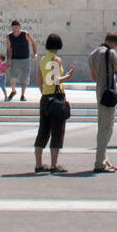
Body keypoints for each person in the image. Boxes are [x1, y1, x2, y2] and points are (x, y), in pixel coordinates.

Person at [34, 33, 76, 173]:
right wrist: (68, 76)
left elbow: (40, 79)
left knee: (43, 130)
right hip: (56, 96)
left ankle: (38, 164)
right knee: (57, 131)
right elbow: (55, 79)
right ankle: (53, 165)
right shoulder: (56, 59)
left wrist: (44, 93)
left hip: (45, 96)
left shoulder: (43, 59)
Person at [88, 32, 117, 172]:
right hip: (109, 93)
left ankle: (105, 160)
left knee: (102, 126)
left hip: (99, 92)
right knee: (106, 129)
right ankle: (99, 163)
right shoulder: (111, 53)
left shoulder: (93, 54)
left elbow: (93, 77)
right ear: (114, 43)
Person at [6, 20, 37, 101]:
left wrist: (35, 53)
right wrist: (8, 59)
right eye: (13, 27)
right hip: (15, 58)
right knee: (13, 77)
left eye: (16, 27)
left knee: (25, 77)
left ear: (19, 27)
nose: (15, 29)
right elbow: (8, 49)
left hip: (25, 58)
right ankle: (13, 90)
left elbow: (33, 43)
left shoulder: (25, 34)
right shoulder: (9, 36)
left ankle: (23, 95)